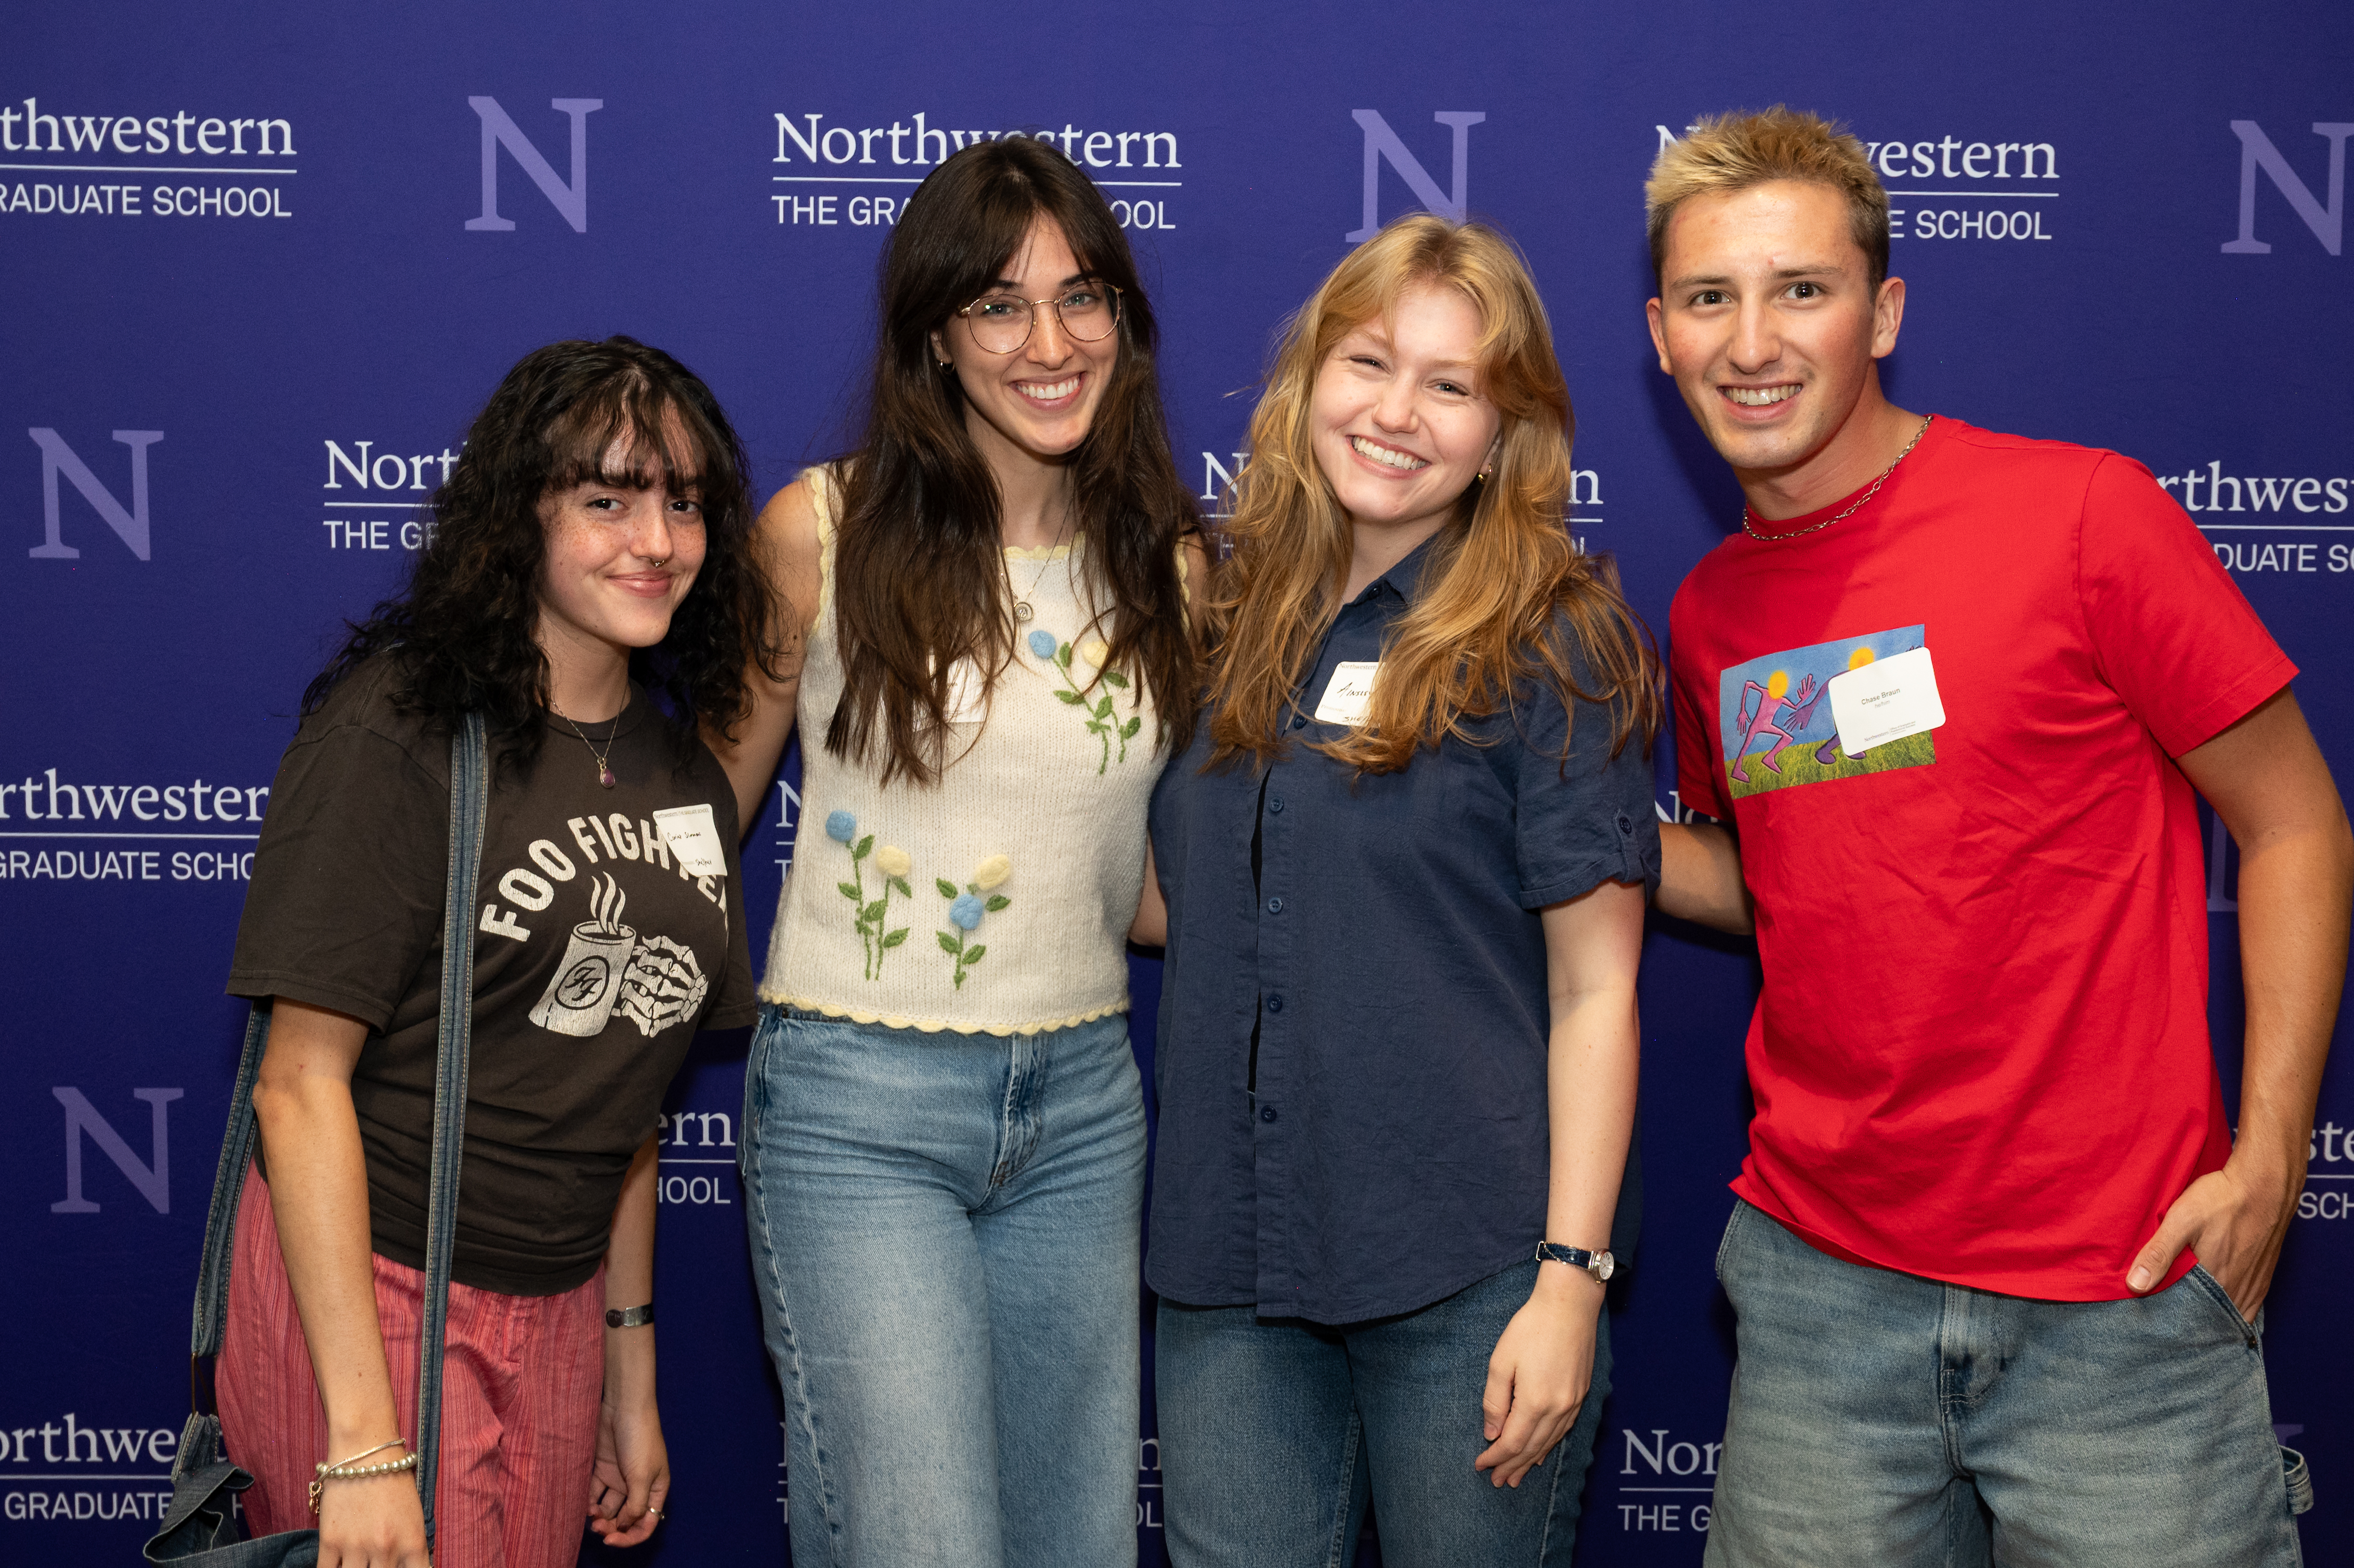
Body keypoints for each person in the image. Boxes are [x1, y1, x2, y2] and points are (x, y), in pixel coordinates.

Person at [1646, 108, 2353, 1565]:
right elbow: (1781, 874)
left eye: (1804, 290)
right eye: (1712, 298)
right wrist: (1546, 828)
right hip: (1821, 1299)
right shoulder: (1715, 616)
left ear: (1883, 311)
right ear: (1662, 334)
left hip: (2120, 1302)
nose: (1754, 341)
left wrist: (2273, 1149)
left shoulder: (2081, 517)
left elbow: (2293, 823)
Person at [707, 136, 1200, 1568]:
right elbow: (699, 832)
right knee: (917, 1542)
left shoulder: (1176, 567)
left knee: (1075, 1542)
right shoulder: (821, 528)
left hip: (1085, 1113)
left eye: (1083, 295)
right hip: (859, 1110)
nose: (1051, 343)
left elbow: (1151, 877)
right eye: (999, 304)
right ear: (936, 332)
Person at [1138, 213, 1659, 1566]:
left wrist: (1570, 1282)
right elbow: (1194, 899)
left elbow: (1598, 987)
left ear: (1509, 430)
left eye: (1452, 384)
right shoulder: (1220, 617)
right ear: (1311, 376)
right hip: (1228, 1264)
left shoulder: (1557, 641)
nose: (1398, 413)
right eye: (1370, 364)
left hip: (1471, 1267)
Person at [222, 336, 771, 1568]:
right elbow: (295, 1082)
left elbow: (630, 1095)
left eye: (682, 501)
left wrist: (629, 1370)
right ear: (517, 518)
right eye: (607, 497)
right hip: (379, 1292)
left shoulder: (679, 769)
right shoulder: (404, 722)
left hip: (564, 1304)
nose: (656, 538)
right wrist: (362, 1440)